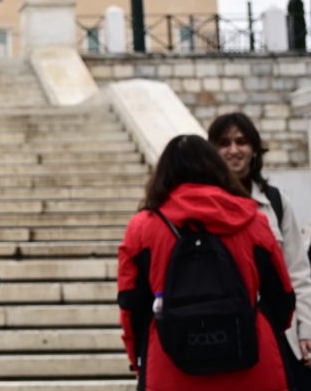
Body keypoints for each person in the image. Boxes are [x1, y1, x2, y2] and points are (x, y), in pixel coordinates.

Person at [117, 134, 294, 391]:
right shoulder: (254, 220)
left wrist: (138, 357)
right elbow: (283, 297)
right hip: (252, 360)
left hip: (170, 364)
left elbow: (131, 305)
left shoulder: (143, 228)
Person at [209, 112, 311, 389]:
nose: (234, 150)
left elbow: (298, 272)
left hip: (279, 333)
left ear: (254, 148)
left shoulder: (276, 203)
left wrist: (307, 330)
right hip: (221, 334)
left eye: (241, 142)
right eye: (225, 143)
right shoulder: (202, 207)